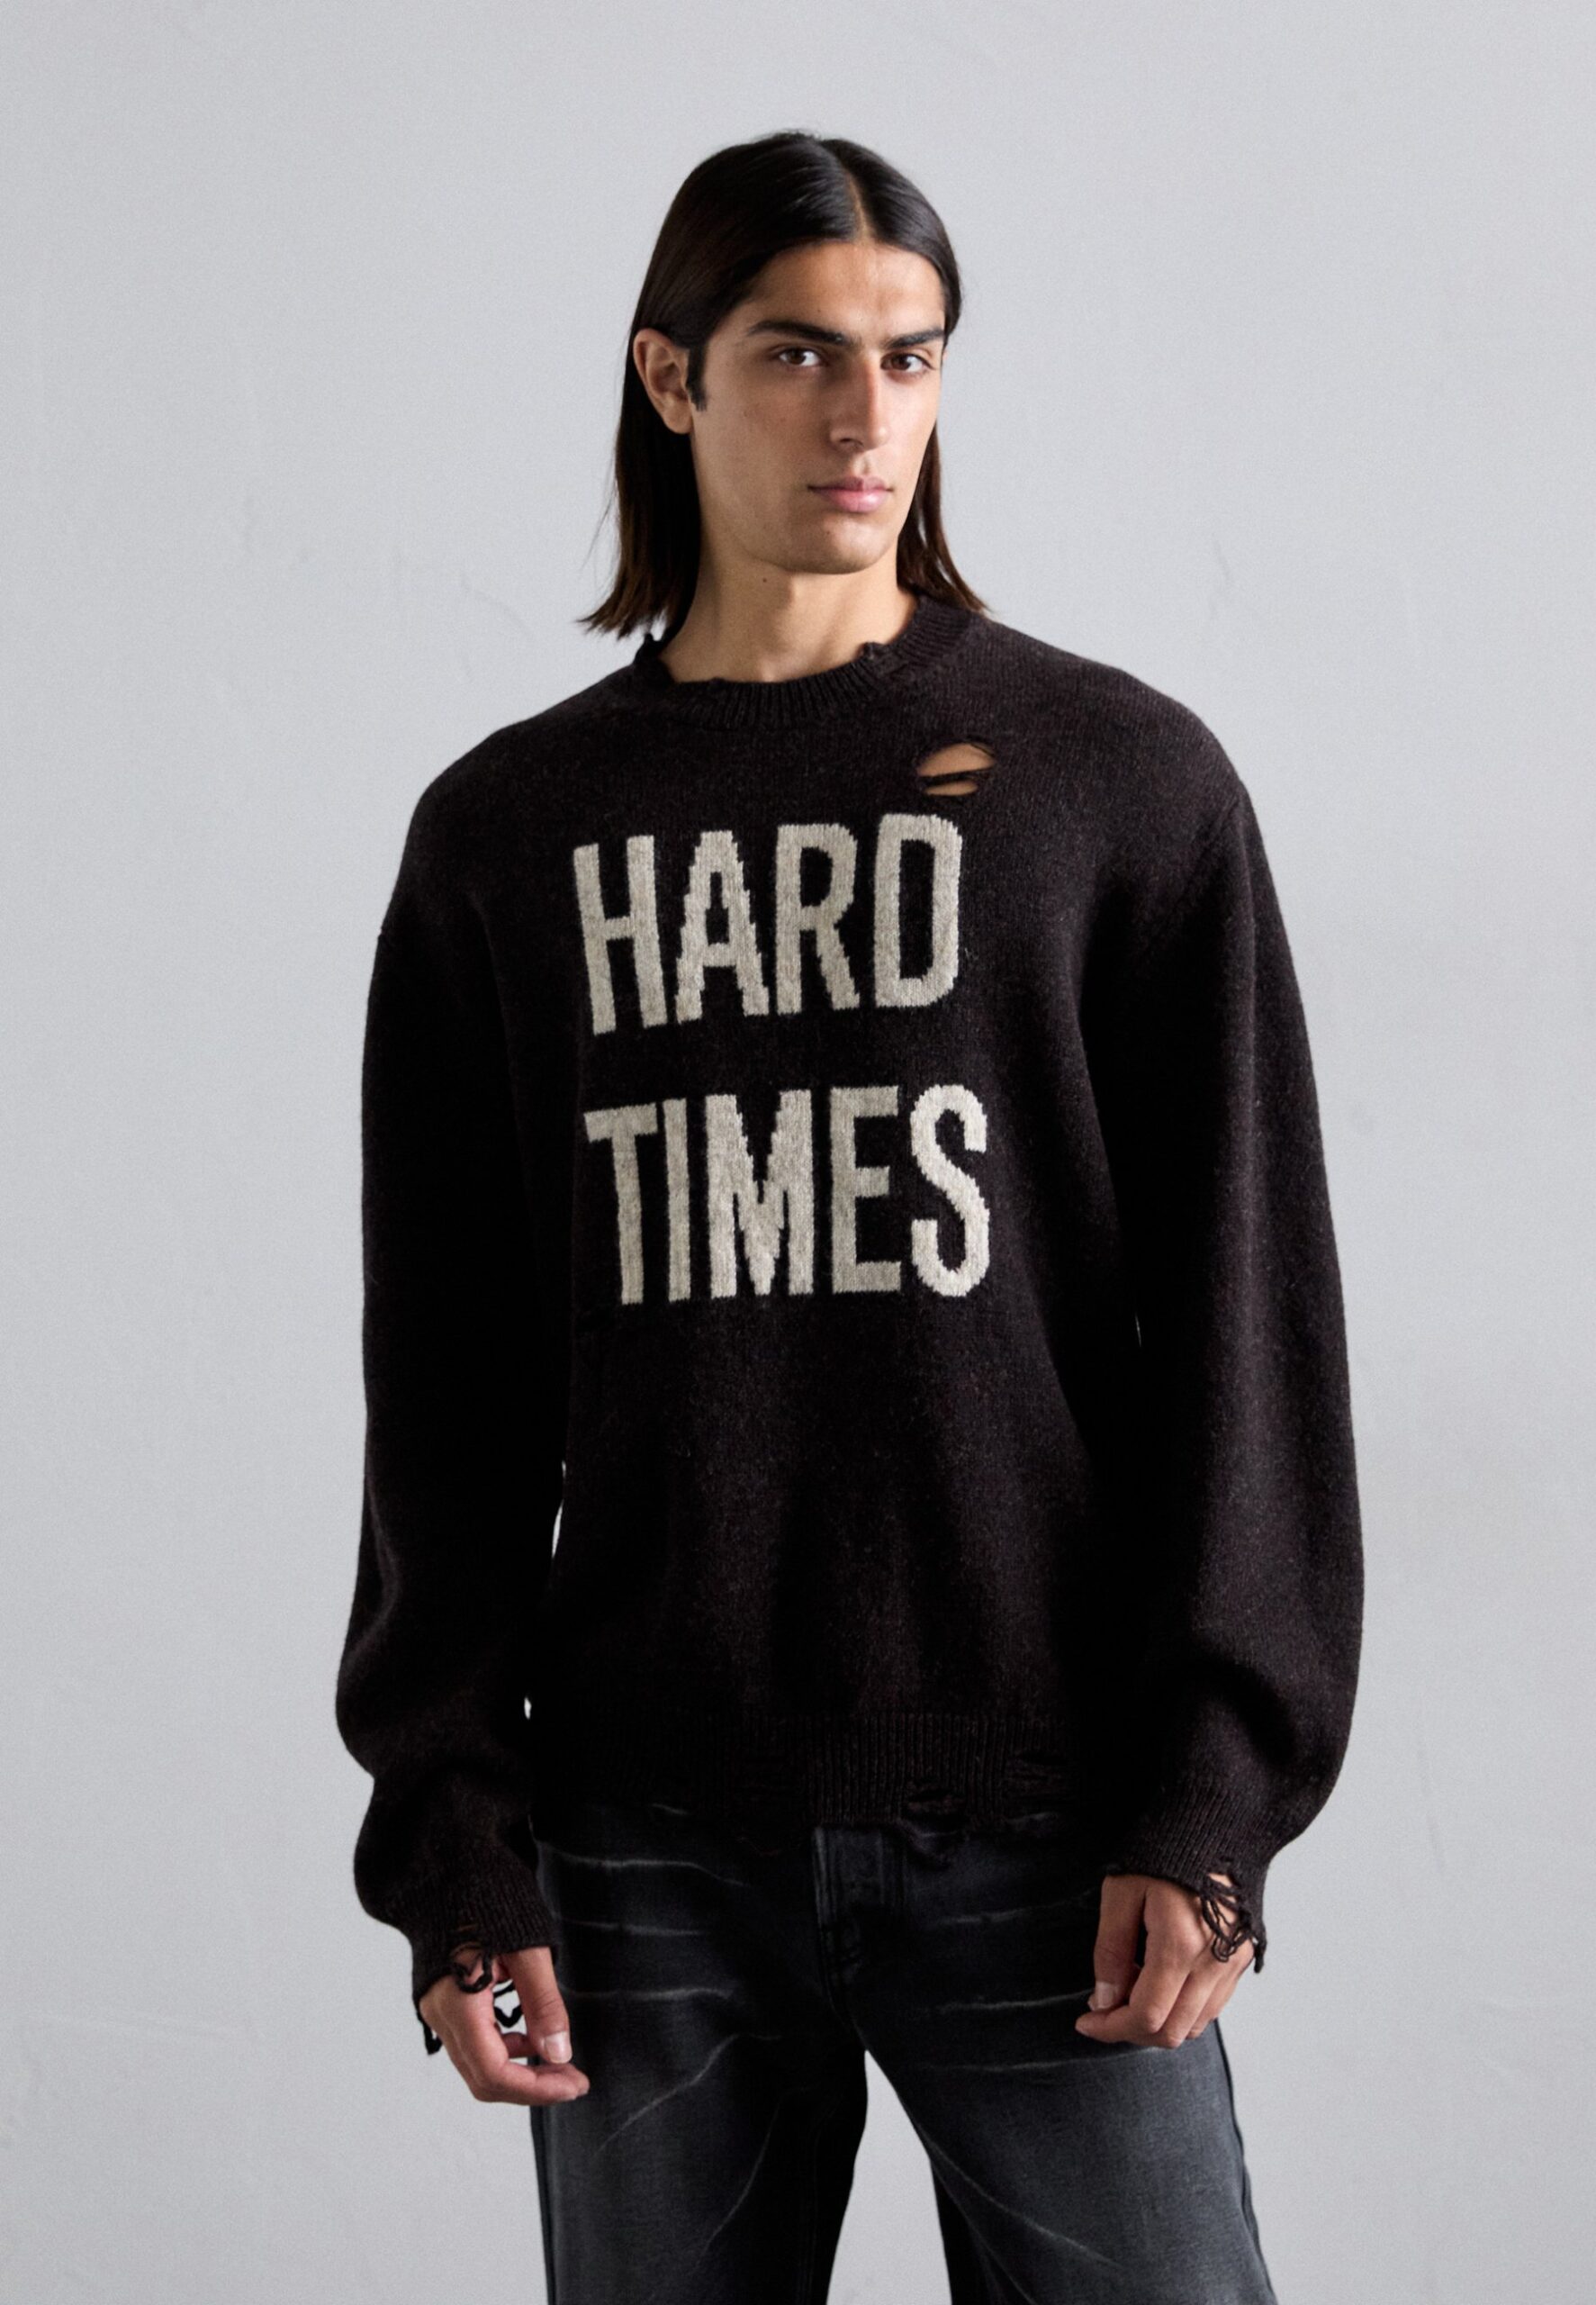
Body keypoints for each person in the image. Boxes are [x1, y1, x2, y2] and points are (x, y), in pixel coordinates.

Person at [335, 129, 1363, 2301]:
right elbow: (445, 1388)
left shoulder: (1114, 784)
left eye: (909, 356)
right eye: (798, 351)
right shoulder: (508, 836)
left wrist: (1209, 1798)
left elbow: (1241, 1324)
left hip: (1051, 1819)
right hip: (636, 1841)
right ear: (669, 376)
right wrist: (455, 1833)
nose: (863, 413)